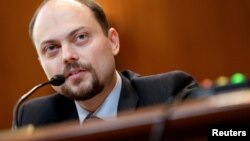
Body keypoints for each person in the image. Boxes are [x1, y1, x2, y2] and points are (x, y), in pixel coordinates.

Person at [16, 0, 200, 128]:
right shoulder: (32, 118)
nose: (67, 56)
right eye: (51, 48)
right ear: (41, 63)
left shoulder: (168, 95)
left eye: (80, 37)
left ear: (113, 42)